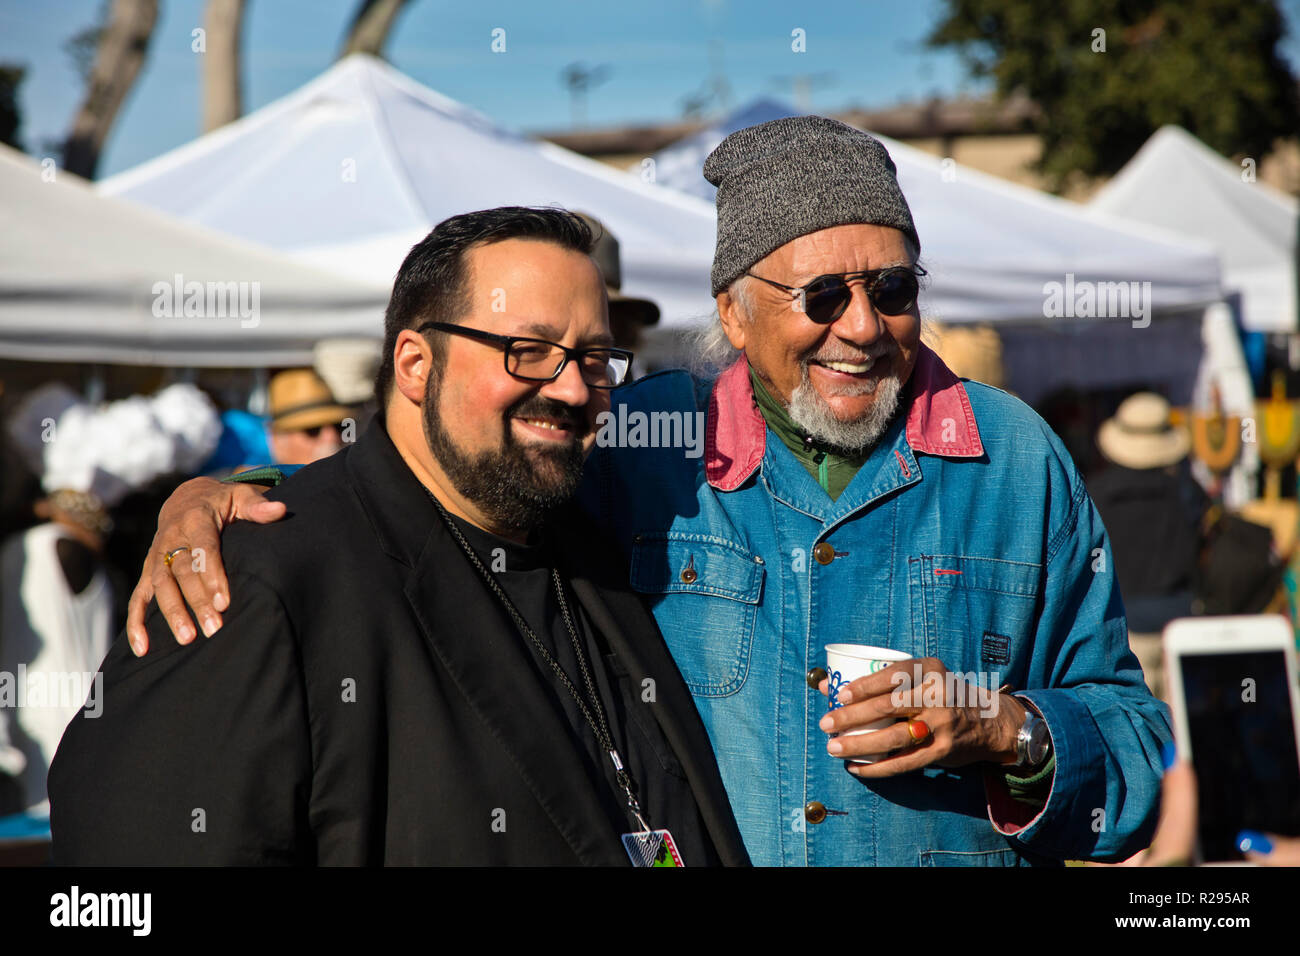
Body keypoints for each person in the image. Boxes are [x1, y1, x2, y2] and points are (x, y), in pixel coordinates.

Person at [127, 119, 1170, 866]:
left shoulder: (1015, 460)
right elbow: (458, 466)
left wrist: (1010, 733)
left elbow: (1133, 738)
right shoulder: (641, 439)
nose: (862, 325)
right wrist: (234, 489)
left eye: (892, 287)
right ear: (733, 307)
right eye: (821, 294)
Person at [48, 207, 748, 866]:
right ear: (415, 364)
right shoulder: (252, 585)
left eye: (594, 358)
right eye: (527, 350)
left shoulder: (597, 541)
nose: (571, 389)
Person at [1089, 392, 1209, 701]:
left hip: (1121, 632)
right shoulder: (1188, 494)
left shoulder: (1095, 496)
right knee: (1182, 737)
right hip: (1180, 628)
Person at [265, 368, 351, 465]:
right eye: (313, 430)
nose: (331, 438)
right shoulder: (249, 478)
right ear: (277, 441)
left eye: (339, 426)